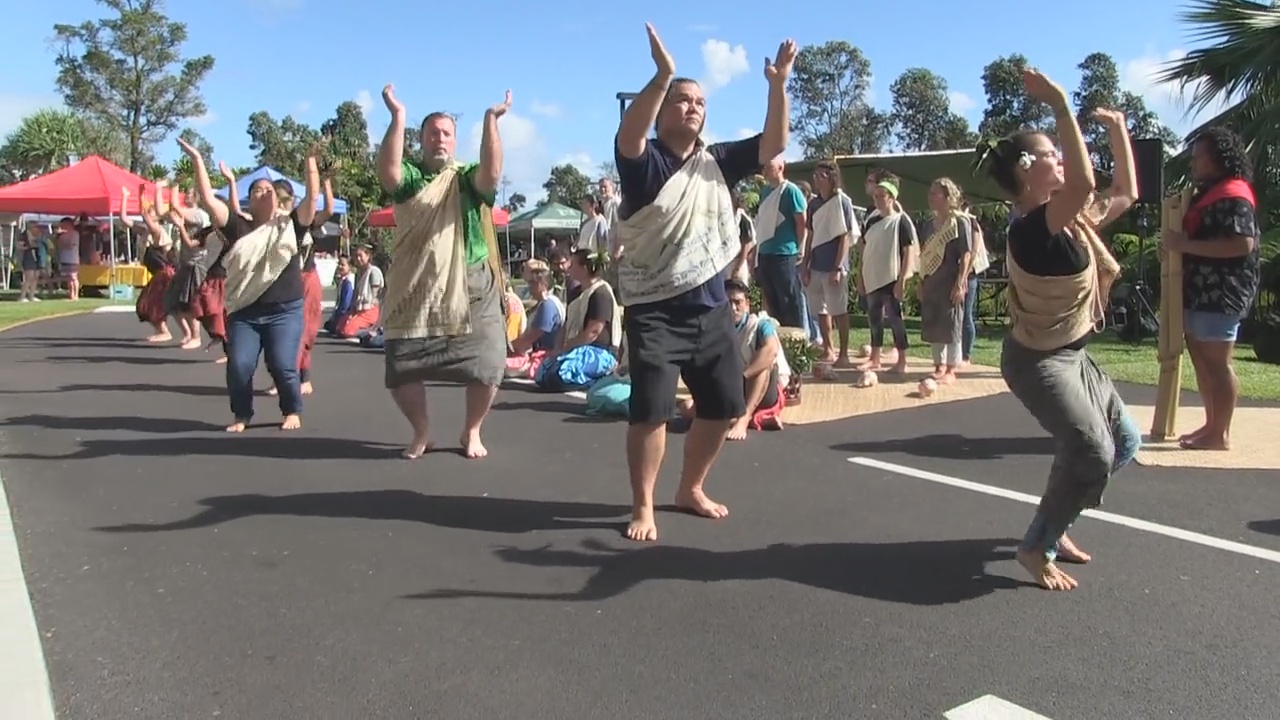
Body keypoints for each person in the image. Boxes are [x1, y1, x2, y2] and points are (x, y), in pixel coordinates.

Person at [612, 23, 795, 542]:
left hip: (712, 308)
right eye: (683, 100)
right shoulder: (645, 165)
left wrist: (777, 84)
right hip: (655, 310)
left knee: (724, 406)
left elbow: (773, 143)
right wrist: (662, 75)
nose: (694, 107)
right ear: (663, 109)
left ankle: (689, 487)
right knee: (650, 412)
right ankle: (643, 504)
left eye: (700, 101)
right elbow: (628, 136)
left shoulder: (716, 162)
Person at [974, 69, 1142, 591]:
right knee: (1093, 450)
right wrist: (1061, 103)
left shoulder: (1067, 220)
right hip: (1037, 361)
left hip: (1072, 355)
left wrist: (1118, 130)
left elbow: (1126, 192)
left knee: (1125, 442)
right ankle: (1036, 546)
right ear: (1027, 170)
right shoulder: (1032, 225)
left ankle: (1059, 517)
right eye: (1051, 153)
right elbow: (1089, 183)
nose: (1061, 158)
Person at [374, 84, 511, 459]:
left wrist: (490, 122)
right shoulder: (413, 177)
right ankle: (422, 431)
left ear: (455, 141)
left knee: (488, 363)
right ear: (421, 139)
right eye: (433, 132)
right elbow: (388, 173)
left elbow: (492, 173)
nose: (440, 139)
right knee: (402, 366)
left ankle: (472, 430)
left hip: (472, 284)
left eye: (446, 133)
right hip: (417, 286)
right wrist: (397, 117)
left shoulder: (465, 176)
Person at [177, 135, 320, 433]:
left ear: (278, 199)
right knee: (239, 366)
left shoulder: (290, 224)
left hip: (286, 310)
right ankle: (242, 414)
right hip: (245, 312)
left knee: (283, 365)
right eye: (257, 189)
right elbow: (207, 197)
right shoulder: (238, 226)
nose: (263, 192)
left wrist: (310, 163)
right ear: (249, 199)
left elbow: (312, 197)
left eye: (268, 189)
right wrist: (197, 160)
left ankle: (291, 408)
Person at [1160, 127, 1260, 451]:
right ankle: (1211, 425)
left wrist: (1186, 244)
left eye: (1199, 156)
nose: (1193, 162)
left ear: (1217, 158)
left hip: (1222, 291)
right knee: (1203, 363)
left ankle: (1220, 433)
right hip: (1198, 289)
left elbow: (1242, 244)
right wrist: (1177, 249)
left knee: (1218, 364)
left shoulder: (1234, 194)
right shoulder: (1207, 192)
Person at [679, 278, 788, 439]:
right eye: (728, 302)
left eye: (738, 302)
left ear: (747, 304)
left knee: (763, 364)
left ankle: (743, 420)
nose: (733, 308)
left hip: (762, 388)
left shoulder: (761, 324)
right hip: (732, 391)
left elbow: (771, 350)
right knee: (686, 407)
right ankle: (752, 419)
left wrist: (742, 376)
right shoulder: (715, 328)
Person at [916, 178, 973, 382]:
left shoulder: (959, 222)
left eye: (935, 193)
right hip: (932, 280)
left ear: (948, 197)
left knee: (951, 322)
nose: (930, 197)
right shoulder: (928, 225)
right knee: (933, 321)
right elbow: (924, 255)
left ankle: (951, 369)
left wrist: (961, 281)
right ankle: (938, 366)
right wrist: (921, 282)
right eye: (930, 193)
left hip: (950, 278)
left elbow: (966, 253)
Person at [857, 175, 916, 373]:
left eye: (881, 196)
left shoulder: (901, 221)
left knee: (895, 319)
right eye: (875, 196)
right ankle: (875, 358)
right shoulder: (872, 221)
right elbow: (865, 250)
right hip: (871, 276)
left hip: (891, 278)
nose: (877, 200)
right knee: (874, 319)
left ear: (891, 197)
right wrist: (860, 275)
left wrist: (902, 279)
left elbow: (908, 251)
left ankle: (902, 361)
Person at [802, 160, 858, 365]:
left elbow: (845, 236)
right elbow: (811, 235)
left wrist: (837, 267)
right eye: (815, 175)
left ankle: (844, 354)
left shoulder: (842, 201)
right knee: (821, 310)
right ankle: (829, 349)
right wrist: (805, 264)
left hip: (835, 267)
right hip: (816, 265)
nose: (817, 179)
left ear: (832, 177)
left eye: (821, 176)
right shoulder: (813, 204)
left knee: (839, 310)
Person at [754, 157, 807, 328]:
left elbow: (801, 222)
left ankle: (796, 340)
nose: (765, 172)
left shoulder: (791, 191)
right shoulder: (765, 192)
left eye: (769, 167)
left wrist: (798, 247)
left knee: (789, 300)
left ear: (780, 167)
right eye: (764, 168)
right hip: (765, 253)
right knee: (772, 300)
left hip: (784, 254)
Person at [17, 224, 48, 303]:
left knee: (35, 277)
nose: (37, 229)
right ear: (30, 227)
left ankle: (32, 295)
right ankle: (22, 296)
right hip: (28, 256)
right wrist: (28, 247)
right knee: (29, 277)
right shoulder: (24, 235)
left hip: (37, 256)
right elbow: (19, 246)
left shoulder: (39, 236)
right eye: (36, 227)